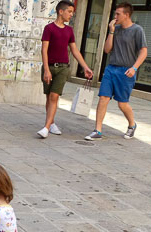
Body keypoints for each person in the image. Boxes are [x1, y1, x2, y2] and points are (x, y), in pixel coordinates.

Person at [85, 2, 147, 140]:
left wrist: (134, 67)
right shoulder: (116, 29)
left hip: (126, 71)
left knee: (122, 103)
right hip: (111, 68)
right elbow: (107, 49)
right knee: (103, 98)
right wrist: (111, 31)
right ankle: (98, 130)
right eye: (115, 13)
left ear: (127, 14)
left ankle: (132, 125)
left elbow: (144, 51)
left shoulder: (137, 30)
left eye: (118, 14)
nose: (115, 16)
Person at [37, 0, 94, 139]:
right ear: (60, 11)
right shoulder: (49, 28)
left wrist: (85, 67)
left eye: (72, 13)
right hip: (49, 67)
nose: (71, 15)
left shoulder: (69, 30)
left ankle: (46, 127)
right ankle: (51, 123)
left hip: (63, 68)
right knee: (49, 97)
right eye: (69, 12)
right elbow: (44, 50)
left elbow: (74, 50)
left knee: (54, 96)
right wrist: (46, 69)